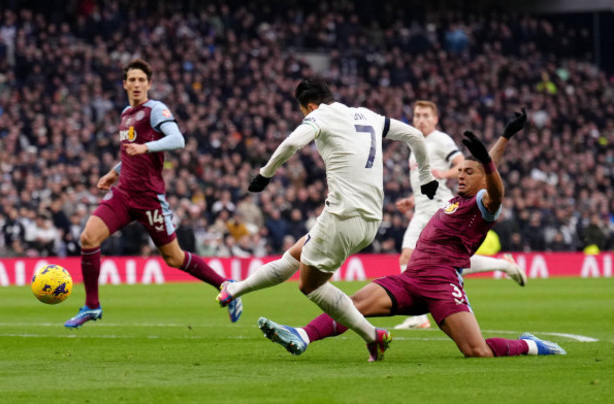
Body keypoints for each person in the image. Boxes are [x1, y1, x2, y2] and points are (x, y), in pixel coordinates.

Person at [256, 110, 567, 359]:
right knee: (355, 303)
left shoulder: (484, 205)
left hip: (443, 283)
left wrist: (487, 159)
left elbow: (496, 187)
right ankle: (303, 335)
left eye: (467, 173)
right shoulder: (457, 198)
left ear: (483, 180)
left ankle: (529, 345)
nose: (460, 175)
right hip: (413, 277)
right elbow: (485, 170)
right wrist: (505, 136)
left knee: (477, 351)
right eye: (459, 171)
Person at [216, 78, 439, 361]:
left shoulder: (320, 115)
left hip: (344, 217)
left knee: (310, 285)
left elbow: (291, 143)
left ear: (309, 106)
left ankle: (374, 336)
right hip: (368, 219)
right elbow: (416, 137)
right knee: (294, 255)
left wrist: (265, 174)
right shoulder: (368, 115)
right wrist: (426, 177)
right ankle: (235, 288)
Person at [64, 59, 242, 328]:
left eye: (141, 80)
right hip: (123, 194)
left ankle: (227, 286)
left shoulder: (156, 110)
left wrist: (148, 148)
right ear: (124, 84)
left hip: (149, 199)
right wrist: (115, 171)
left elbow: (177, 139)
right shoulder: (125, 114)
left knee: (175, 258)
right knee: (88, 238)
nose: (136, 84)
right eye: (132, 80)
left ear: (149, 84)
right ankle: (92, 305)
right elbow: (130, 154)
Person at [394, 101, 526, 330]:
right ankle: (419, 315)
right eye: (417, 115)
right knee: (407, 257)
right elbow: (427, 181)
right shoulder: (416, 144)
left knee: (443, 260)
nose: (421, 119)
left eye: (426, 115)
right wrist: (413, 199)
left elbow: (463, 166)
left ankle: (419, 314)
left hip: (439, 207)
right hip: (421, 208)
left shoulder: (441, 139)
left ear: (435, 119)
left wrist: (444, 174)